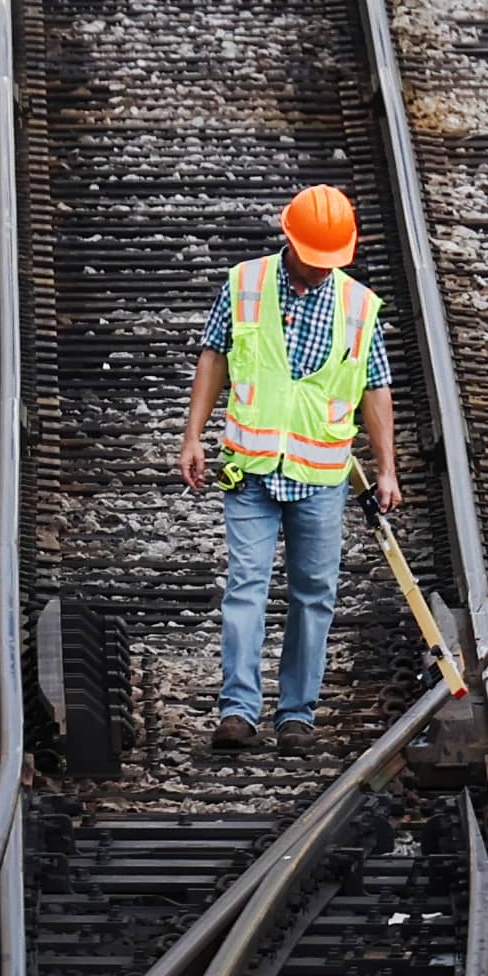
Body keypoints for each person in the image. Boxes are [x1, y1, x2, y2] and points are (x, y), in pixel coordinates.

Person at [174, 182, 400, 752]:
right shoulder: (245, 285)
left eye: (333, 261)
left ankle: (296, 714)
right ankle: (238, 710)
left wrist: (386, 468)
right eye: (314, 258)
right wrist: (193, 435)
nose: (323, 270)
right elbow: (213, 357)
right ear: (289, 240)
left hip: (320, 477)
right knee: (245, 588)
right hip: (250, 471)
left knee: (313, 594)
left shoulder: (356, 305)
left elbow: (376, 389)